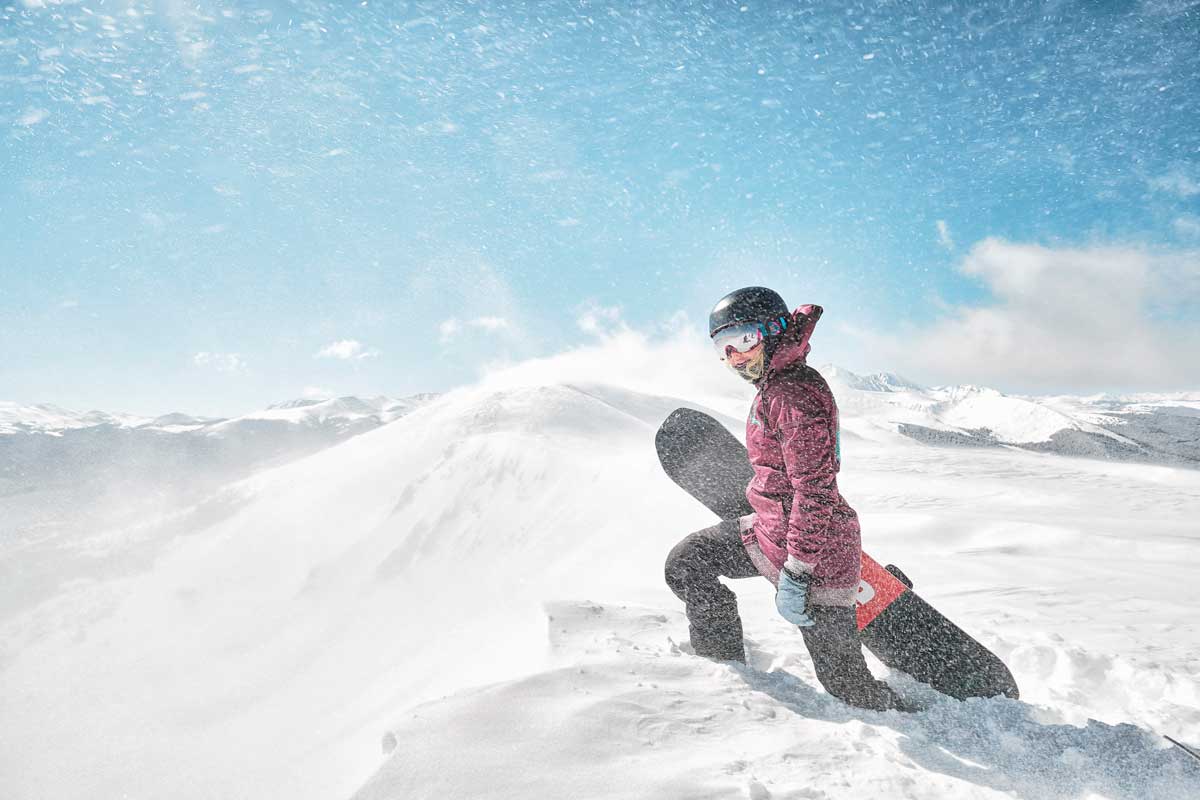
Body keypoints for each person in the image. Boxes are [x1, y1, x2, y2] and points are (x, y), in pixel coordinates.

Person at [664, 286, 910, 712]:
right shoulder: (774, 386)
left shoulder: (793, 396)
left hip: (814, 558)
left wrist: (799, 568)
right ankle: (723, 673)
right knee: (687, 563)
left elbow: (816, 491)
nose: (736, 358)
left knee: (849, 689)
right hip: (766, 535)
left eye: (743, 340)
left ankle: (912, 719)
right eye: (725, 348)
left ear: (773, 330)